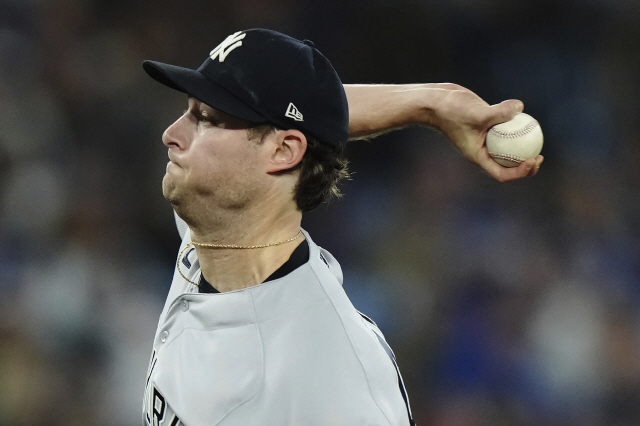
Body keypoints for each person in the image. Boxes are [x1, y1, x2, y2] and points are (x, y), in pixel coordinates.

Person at [141, 29, 543, 426]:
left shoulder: (328, 377)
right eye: (188, 110)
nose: (172, 134)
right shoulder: (218, 226)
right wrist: (431, 105)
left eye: (206, 119)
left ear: (284, 151)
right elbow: (308, 116)